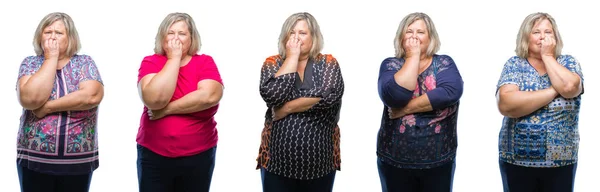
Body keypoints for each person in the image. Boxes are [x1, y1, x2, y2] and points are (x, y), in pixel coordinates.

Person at [255, 12, 344, 192]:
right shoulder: (272, 63)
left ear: (313, 37)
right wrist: (292, 58)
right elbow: (273, 95)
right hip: (276, 164)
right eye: (291, 33)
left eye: (302, 33)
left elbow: (330, 95)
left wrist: (287, 107)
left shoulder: (328, 63)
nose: (296, 38)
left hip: (321, 165)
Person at [15, 12, 104, 192]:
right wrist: (51, 58)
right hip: (34, 160)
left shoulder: (84, 63)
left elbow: (91, 96)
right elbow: (29, 99)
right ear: (40, 36)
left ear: (70, 38)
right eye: (48, 32)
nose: (53, 37)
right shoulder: (30, 63)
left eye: (59, 33)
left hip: (77, 162)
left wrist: (47, 107)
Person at [136, 12, 224, 192]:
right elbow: (155, 99)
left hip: (199, 154)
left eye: (182, 34)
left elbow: (209, 96)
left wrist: (167, 110)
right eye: (171, 33)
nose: (176, 38)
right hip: (154, 154)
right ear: (162, 36)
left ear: (192, 38)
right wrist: (174, 58)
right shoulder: (151, 62)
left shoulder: (204, 62)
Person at [496, 12, 583, 192]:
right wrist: (553, 91)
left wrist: (548, 56)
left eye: (548, 32)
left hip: (561, 161)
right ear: (526, 36)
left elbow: (569, 88)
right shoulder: (514, 65)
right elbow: (507, 104)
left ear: (555, 37)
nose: (543, 37)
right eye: (536, 32)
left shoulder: (568, 62)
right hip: (516, 161)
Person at [376, 12, 463, 192]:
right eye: (409, 32)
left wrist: (404, 110)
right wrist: (413, 57)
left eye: (420, 32)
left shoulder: (444, 63)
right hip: (394, 161)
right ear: (401, 37)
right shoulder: (390, 65)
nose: (414, 36)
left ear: (430, 37)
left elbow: (450, 92)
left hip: (438, 162)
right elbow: (394, 96)